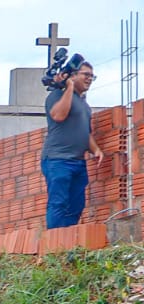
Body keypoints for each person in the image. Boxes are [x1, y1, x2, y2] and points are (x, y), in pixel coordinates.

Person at [43, 60, 104, 229]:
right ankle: (54, 243)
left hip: (78, 162)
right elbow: (58, 116)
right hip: (58, 160)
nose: (90, 79)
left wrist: (96, 149)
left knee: (76, 205)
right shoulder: (56, 95)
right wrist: (68, 88)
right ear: (73, 75)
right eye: (86, 75)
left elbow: (86, 133)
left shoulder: (84, 105)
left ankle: (66, 241)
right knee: (59, 203)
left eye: (92, 76)